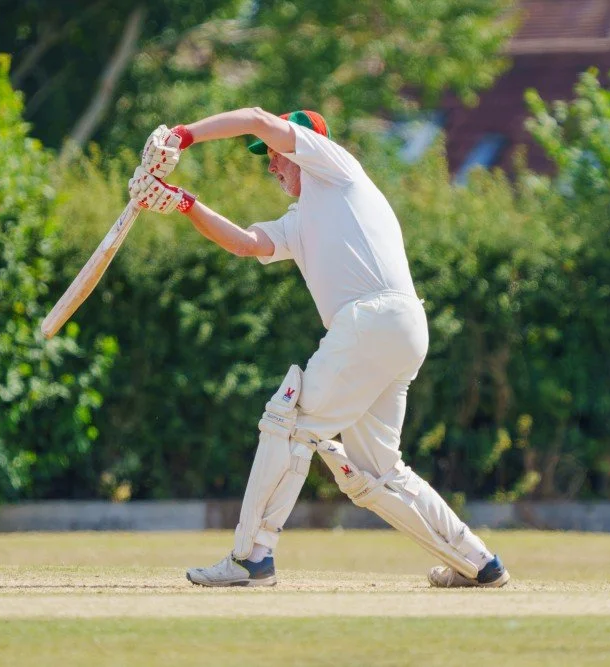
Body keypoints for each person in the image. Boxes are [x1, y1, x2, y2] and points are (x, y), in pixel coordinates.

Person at [129, 108, 510, 589]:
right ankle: (479, 562)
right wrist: (183, 203)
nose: (270, 164)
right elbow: (247, 243)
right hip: (399, 327)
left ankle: (252, 558)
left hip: (371, 320)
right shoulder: (301, 218)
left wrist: (182, 136)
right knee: (376, 473)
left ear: (301, 147)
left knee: (286, 424)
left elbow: (253, 118)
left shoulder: (334, 167)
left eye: (274, 155)